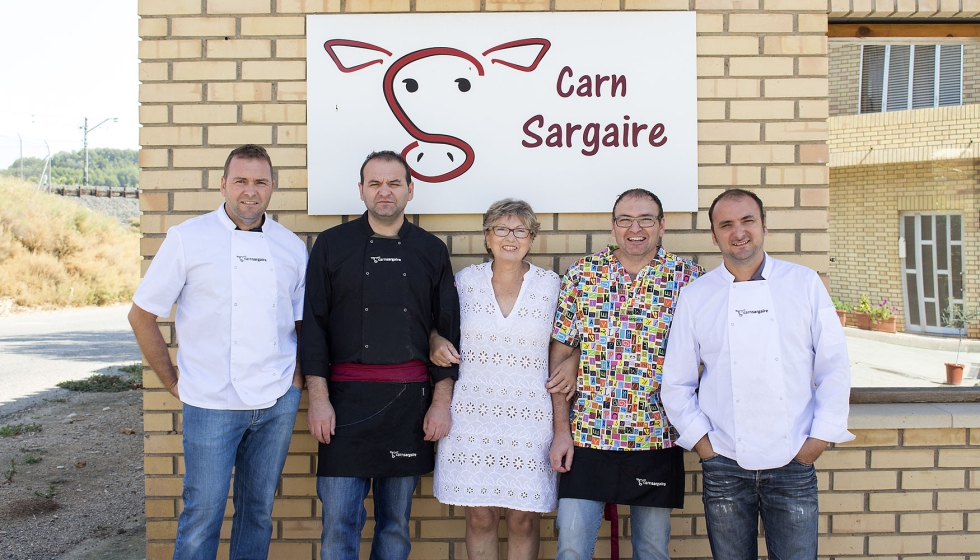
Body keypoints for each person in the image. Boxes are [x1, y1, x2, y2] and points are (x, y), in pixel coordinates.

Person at [128, 144, 307, 559]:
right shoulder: (187, 239)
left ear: (272, 188)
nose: (250, 191)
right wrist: (172, 381)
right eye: (241, 180)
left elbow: (302, 324)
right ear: (223, 184)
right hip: (209, 402)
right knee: (203, 513)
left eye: (260, 182)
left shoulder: (290, 246)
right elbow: (142, 316)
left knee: (258, 511)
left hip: (276, 400)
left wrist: (295, 382)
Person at [661, 188, 854, 560]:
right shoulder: (697, 296)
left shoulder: (804, 283)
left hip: (794, 462)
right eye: (726, 224)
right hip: (725, 464)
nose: (739, 232)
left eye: (748, 220)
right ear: (714, 235)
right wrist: (705, 446)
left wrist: (817, 441)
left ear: (764, 225)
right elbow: (677, 382)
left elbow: (834, 366)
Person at [301, 150, 461, 560]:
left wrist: (441, 405)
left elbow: (448, 334)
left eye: (393, 183)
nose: (384, 191)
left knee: (395, 527)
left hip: (408, 406)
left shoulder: (430, 250)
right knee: (339, 524)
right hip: (344, 405)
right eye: (374, 183)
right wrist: (317, 401)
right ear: (360, 191)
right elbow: (314, 327)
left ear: (410, 190)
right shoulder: (332, 245)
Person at [548, 188, 703, 560]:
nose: (636, 228)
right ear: (613, 226)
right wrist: (561, 432)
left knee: (652, 549)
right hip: (587, 435)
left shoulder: (689, 279)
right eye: (625, 220)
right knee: (570, 547)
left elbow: (709, 356)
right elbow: (560, 357)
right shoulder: (583, 275)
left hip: (656, 436)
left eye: (646, 219)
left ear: (662, 226)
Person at [430, 199, 562, 560]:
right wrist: (433, 341)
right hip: (472, 415)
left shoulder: (551, 287)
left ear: (532, 238)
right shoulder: (464, 283)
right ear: (487, 236)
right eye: (501, 229)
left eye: (520, 230)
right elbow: (438, 330)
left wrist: (576, 360)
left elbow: (573, 341)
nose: (510, 237)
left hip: (530, 416)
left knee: (523, 519)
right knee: (480, 516)